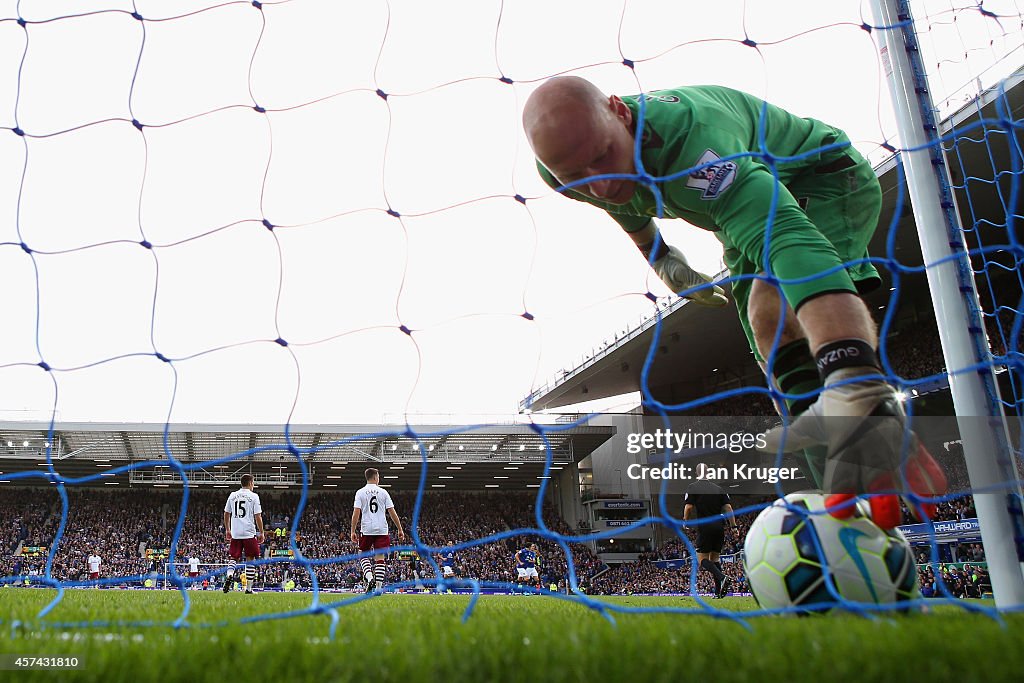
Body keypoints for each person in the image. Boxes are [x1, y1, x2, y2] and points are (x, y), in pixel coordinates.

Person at [522, 76, 947, 528]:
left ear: (619, 111)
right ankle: (839, 504)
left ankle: (863, 400)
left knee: (775, 300)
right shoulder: (565, 168)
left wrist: (852, 373)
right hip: (733, 217)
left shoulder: (696, 147)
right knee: (767, 329)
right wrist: (663, 258)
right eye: (577, 178)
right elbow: (621, 204)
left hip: (821, 178)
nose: (599, 185)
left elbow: (787, 236)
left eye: (604, 156)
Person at [683, 468, 738, 598]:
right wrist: (733, 527)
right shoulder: (719, 488)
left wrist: (685, 521)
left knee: (702, 560)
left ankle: (722, 577)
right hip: (720, 526)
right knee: (714, 559)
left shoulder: (693, 487)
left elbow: (689, 506)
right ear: (708, 473)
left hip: (705, 526)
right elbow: (728, 508)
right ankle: (718, 592)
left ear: (697, 473)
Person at [351, 468, 406, 593]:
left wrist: (352, 530)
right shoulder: (383, 492)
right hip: (382, 529)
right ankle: (379, 588)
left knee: (363, 553)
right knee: (380, 557)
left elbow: (356, 513)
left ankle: (370, 578)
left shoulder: (360, 492)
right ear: (376, 477)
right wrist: (400, 529)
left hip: (367, 528)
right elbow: (392, 512)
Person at [223, 473, 265, 594]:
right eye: (253, 483)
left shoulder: (232, 495)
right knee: (250, 559)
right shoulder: (254, 496)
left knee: (233, 557)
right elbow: (258, 516)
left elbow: (226, 513)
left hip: (235, 532)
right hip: (248, 532)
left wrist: (227, 529)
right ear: (251, 483)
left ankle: (230, 574)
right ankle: (248, 589)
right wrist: (261, 532)